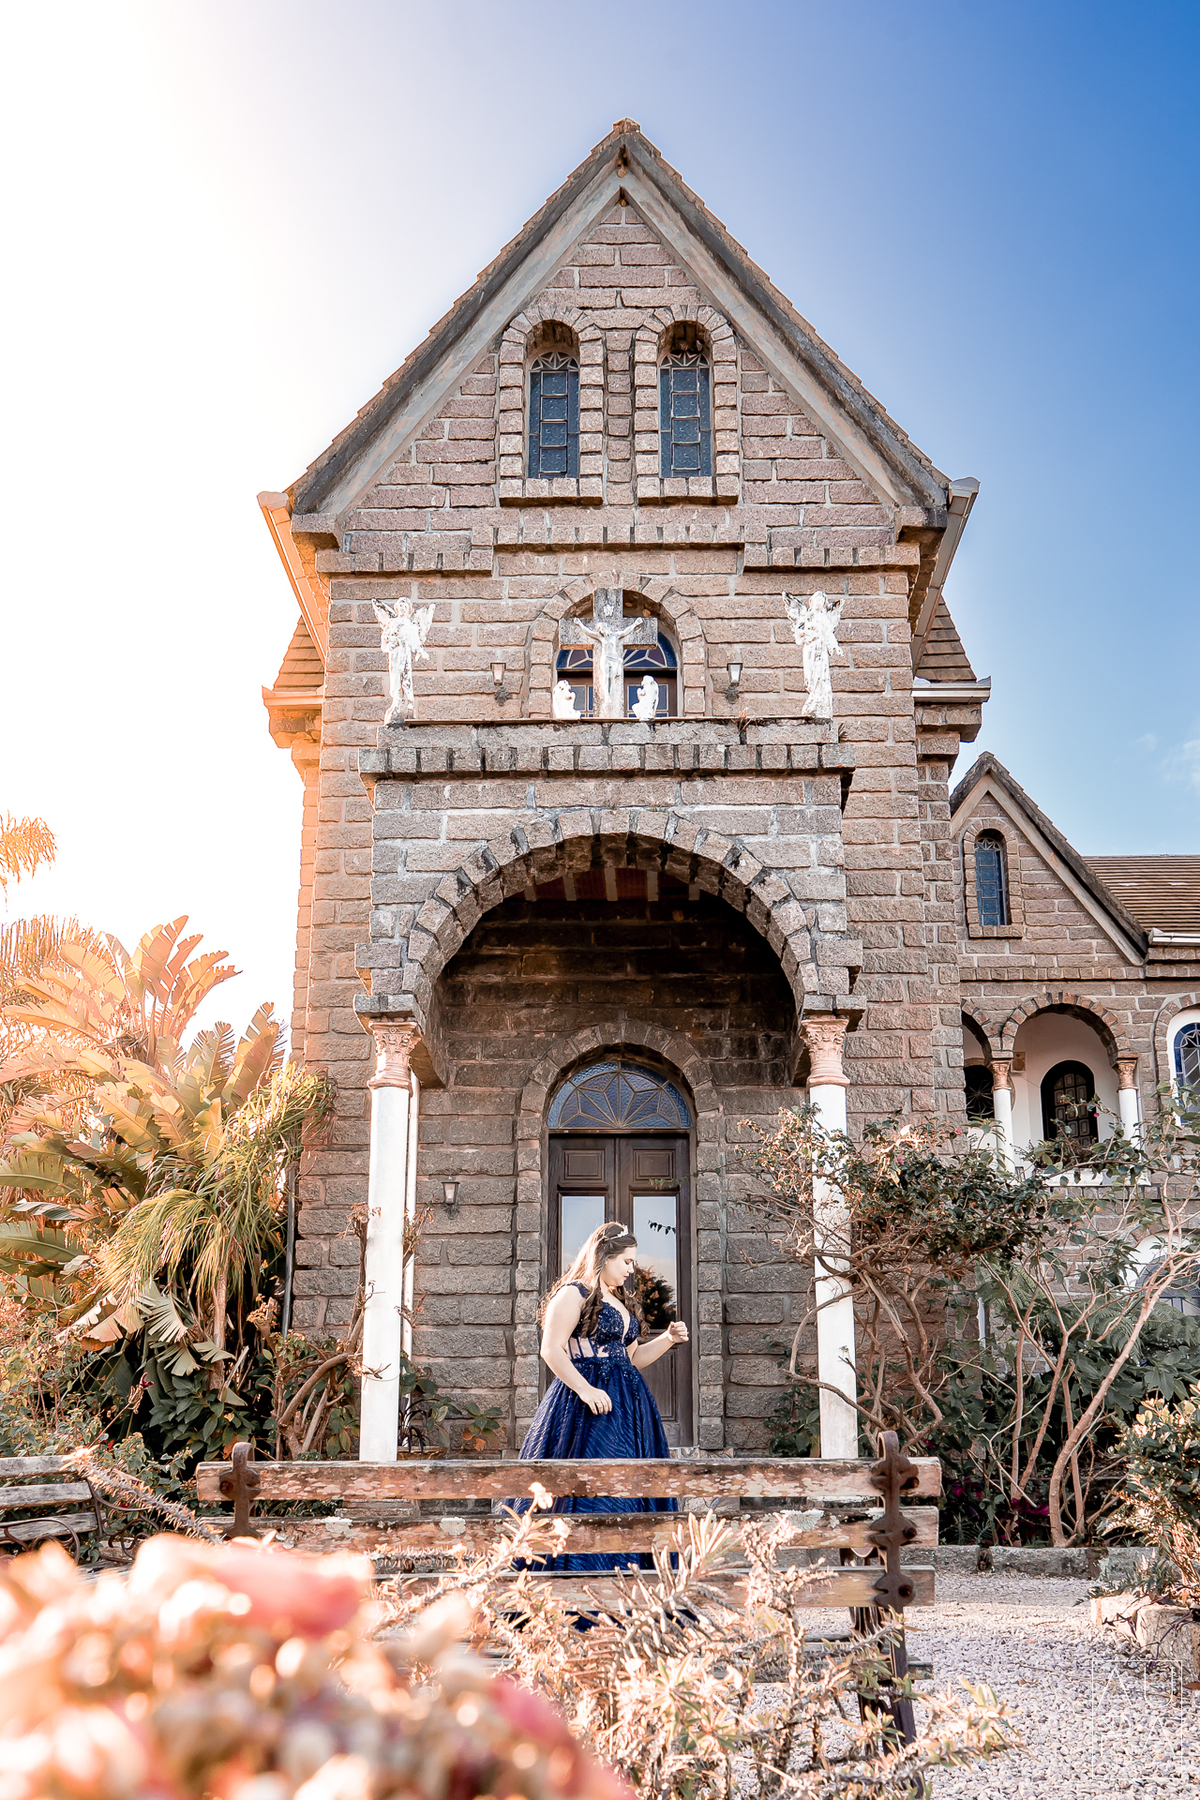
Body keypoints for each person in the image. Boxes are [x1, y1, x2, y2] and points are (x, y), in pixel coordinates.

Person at [510, 1220, 688, 1571]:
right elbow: (551, 1349)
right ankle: (583, 1577)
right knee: (592, 1486)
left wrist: (668, 1340)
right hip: (586, 1409)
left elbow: (634, 1358)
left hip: (630, 1410)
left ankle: (633, 1581)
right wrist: (586, 1389)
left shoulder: (621, 1302)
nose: (630, 1269)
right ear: (603, 1256)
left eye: (633, 1262)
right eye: (625, 1261)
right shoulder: (573, 1293)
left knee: (630, 1484)